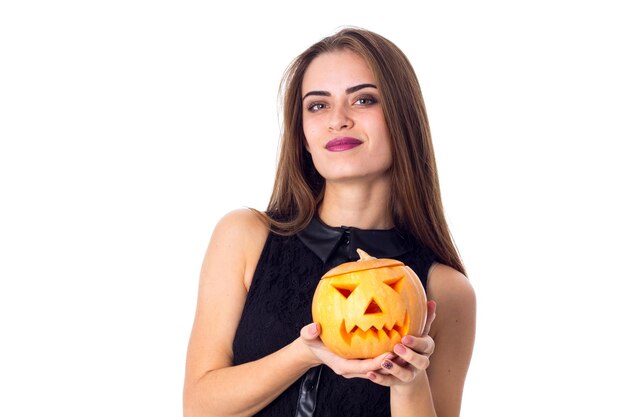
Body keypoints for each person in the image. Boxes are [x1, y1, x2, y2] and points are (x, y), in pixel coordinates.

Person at [183, 27, 476, 417]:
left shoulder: (446, 289)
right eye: (318, 106)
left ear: (403, 118)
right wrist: (304, 354)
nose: (338, 120)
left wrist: (408, 382)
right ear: (303, 135)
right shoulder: (244, 237)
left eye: (364, 100)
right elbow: (199, 407)